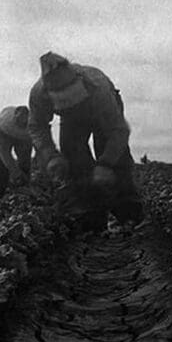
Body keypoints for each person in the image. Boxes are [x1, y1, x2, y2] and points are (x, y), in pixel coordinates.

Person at [28, 52, 144, 230]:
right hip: (71, 119)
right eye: (64, 100)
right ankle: (90, 218)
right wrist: (50, 155)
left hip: (101, 111)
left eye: (72, 98)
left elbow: (119, 130)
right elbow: (37, 127)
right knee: (73, 156)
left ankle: (129, 215)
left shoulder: (98, 87)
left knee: (115, 157)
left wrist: (105, 163)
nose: (71, 103)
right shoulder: (38, 94)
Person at [0, 106, 32, 199]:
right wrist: (16, 173)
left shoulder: (32, 127)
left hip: (24, 139)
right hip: (4, 134)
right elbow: (5, 153)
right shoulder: (3, 125)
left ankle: (24, 188)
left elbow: (37, 146)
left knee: (25, 162)